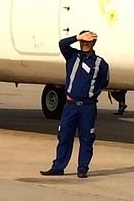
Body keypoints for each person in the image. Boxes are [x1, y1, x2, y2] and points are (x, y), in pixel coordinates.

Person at [41, 30, 111, 178]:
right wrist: (77, 37)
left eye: (88, 41)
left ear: (93, 43)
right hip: (70, 106)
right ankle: (58, 167)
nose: (85, 44)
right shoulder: (72, 56)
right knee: (64, 136)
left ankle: (82, 168)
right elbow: (62, 44)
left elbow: (103, 82)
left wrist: (90, 93)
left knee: (87, 138)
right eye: (83, 41)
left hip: (87, 107)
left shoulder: (100, 63)